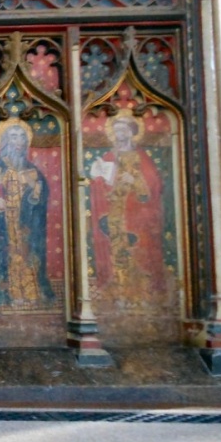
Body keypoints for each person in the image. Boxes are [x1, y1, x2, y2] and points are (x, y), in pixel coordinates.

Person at [89, 110, 165, 300]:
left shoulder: (140, 156)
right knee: (116, 250)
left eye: (122, 131)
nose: (119, 135)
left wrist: (135, 180)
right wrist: (98, 178)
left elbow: (153, 184)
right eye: (116, 131)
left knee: (137, 249)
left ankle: (142, 293)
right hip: (114, 213)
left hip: (135, 215)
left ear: (131, 132)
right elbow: (98, 184)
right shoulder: (108, 156)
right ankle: (119, 291)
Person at [0, 117, 54, 306]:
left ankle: (31, 294)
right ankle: (12, 294)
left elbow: (40, 198)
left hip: (27, 225)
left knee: (28, 256)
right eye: (13, 137)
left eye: (22, 137)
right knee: (9, 257)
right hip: (6, 224)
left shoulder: (33, 171)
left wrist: (34, 189)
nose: (18, 142)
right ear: (5, 141)